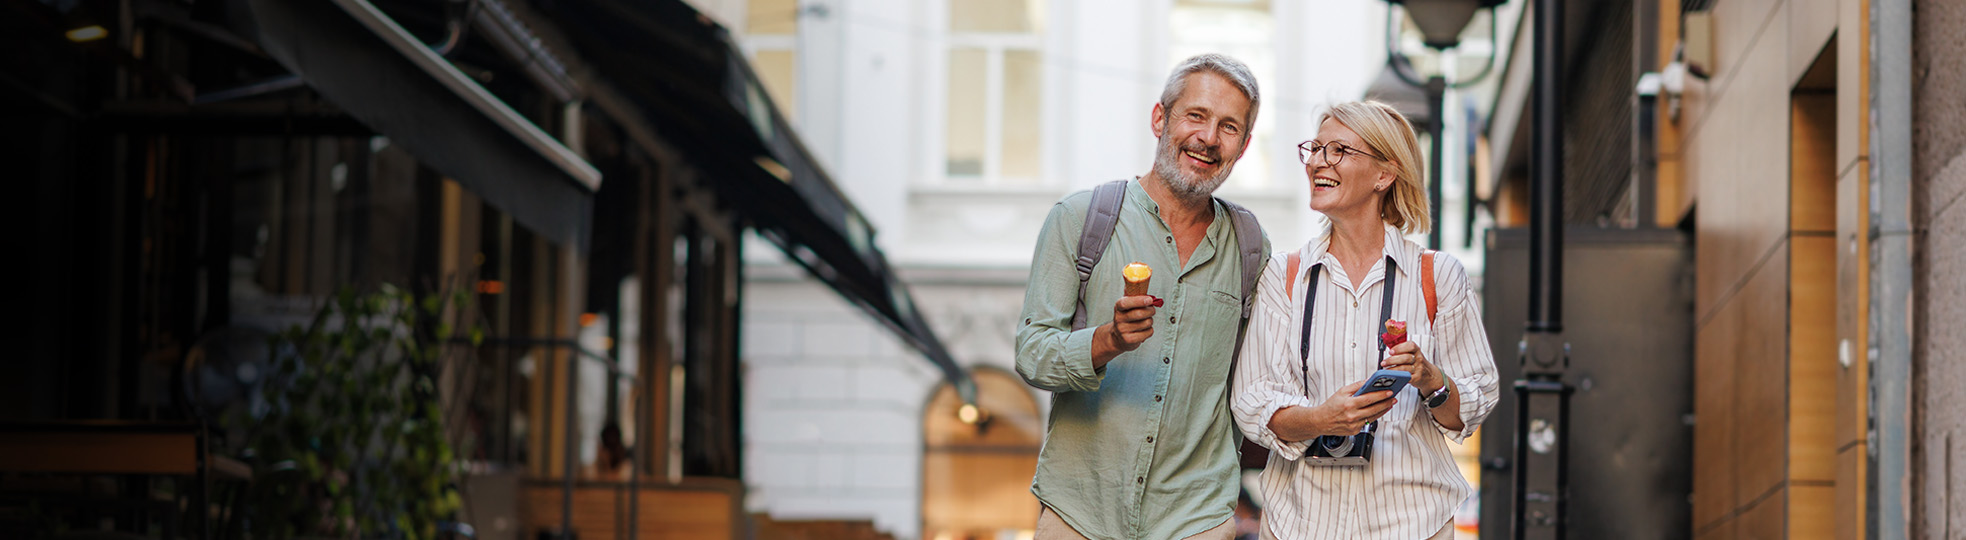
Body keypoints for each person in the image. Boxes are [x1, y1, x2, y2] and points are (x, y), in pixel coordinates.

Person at [1014, 54, 1270, 540]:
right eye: (1195, 115)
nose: (1209, 138)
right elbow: (1031, 354)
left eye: (1229, 126)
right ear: (1160, 119)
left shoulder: (1251, 247)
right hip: (1080, 511)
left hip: (1195, 517)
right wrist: (1105, 341)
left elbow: (1259, 376)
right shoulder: (1081, 219)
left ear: (1243, 145)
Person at [1230, 101, 1499, 540]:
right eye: (1315, 149)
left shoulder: (1437, 276)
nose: (1318, 161)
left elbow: (1469, 408)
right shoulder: (1286, 275)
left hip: (1413, 524)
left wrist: (1430, 378)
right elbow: (1253, 402)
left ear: (1384, 174)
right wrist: (1321, 419)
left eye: (1338, 150)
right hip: (1303, 524)